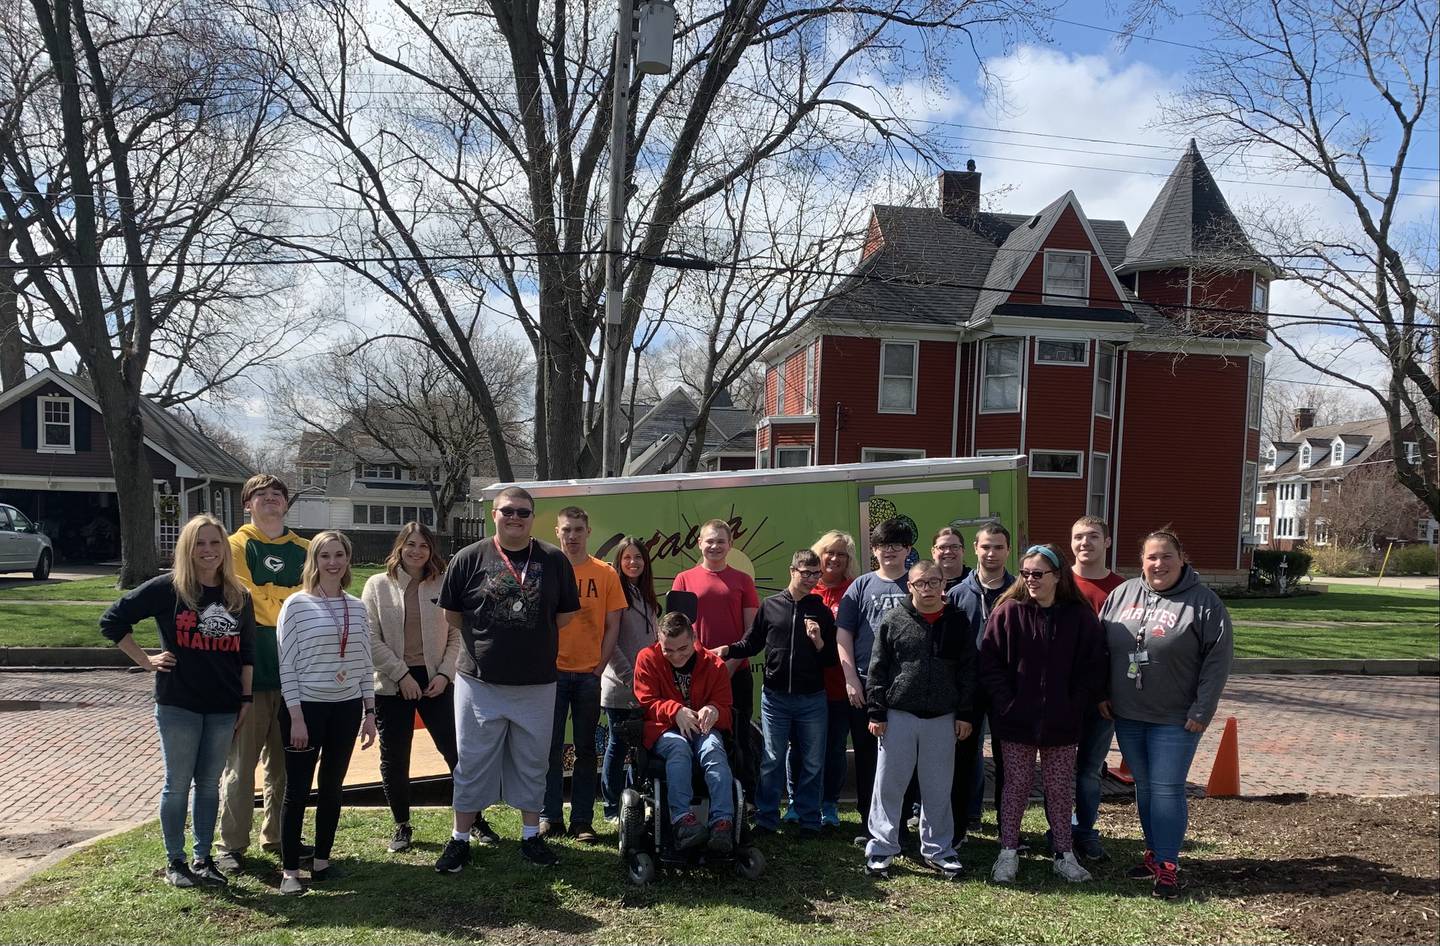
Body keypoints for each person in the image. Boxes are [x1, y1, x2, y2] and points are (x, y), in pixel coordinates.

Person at [99, 514, 255, 888]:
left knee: (209, 784)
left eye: (215, 543)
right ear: (187, 548)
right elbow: (112, 621)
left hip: (223, 706)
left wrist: (246, 698)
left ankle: (204, 859)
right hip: (178, 705)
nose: (208, 551)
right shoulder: (169, 589)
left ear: (225, 549)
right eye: (200, 543)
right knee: (178, 784)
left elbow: (247, 653)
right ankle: (175, 861)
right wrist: (146, 660)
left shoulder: (238, 595)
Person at [433, 486, 580, 874]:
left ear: (534, 517)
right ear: (494, 514)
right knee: (472, 762)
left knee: (533, 762)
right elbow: (452, 614)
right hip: (480, 682)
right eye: (508, 511)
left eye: (523, 512)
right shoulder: (468, 558)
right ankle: (460, 839)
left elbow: (564, 616)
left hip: (536, 683)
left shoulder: (553, 560)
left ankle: (530, 837)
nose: (515, 518)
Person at [1099, 528, 1233, 899]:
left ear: (1181, 558)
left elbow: (1217, 660)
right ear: (1141, 560)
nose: (1158, 564)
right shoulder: (1121, 595)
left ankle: (1169, 867)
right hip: (1128, 714)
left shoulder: (1204, 603)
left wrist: (1203, 708)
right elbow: (1100, 649)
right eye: (1151, 557)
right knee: (1144, 787)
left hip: (1177, 718)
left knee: (1167, 788)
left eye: (1166, 556)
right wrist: (1101, 693)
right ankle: (1154, 855)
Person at [981, 543, 1107, 886]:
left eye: (1039, 574)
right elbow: (990, 663)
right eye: (1026, 573)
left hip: (1062, 722)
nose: (1031, 580)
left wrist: (1074, 702)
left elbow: (1093, 667)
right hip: (1016, 720)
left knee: (1059, 788)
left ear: (1057, 576)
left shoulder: (1079, 616)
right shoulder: (1008, 612)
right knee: (1015, 786)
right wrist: (1006, 702)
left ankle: (1064, 853)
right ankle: (1008, 850)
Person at [274, 530, 377, 896]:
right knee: (297, 791)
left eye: (339, 555)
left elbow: (365, 662)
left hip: (347, 709)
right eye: (325, 556)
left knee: (332, 787)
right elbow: (287, 665)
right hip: (306, 711)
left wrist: (369, 711)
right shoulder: (296, 605)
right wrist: (296, 716)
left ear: (348, 560)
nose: (333, 562)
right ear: (313, 562)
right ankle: (289, 872)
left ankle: (321, 862)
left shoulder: (356, 606)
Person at [218, 474, 310, 874]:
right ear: (247, 505)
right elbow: (244, 599)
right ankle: (230, 845)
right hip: (250, 677)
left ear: (286, 504)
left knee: (287, 767)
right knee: (241, 767)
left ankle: (278, 835)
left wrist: (271, 593)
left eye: (277, 495)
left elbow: (317, 598)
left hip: (299, 679)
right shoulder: (235, 546)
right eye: (261, 496)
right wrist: (291, 599)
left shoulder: (307, 548)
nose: (270, 500)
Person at [862, 560, 976, 879]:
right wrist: (876, 711)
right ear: (909, 586)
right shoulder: (894, 619)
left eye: (934, 582)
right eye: (920, 583)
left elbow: (968, 670)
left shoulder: (957, 621)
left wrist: (965, 713)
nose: (927, 589)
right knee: (889, 785)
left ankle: (939, 850)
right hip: (898, 715)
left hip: (943, 717)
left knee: (938, 787)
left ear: (944, 585)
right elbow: (878, 668)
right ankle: (881, 848)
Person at [720, 550, 838, 836]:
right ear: (792, 571)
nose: (811, 579)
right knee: (771, 759)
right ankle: (767, 818)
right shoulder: (771, 605)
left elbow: (831, 659)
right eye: (805, 572)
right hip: (775, 698)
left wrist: (819, 641)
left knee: (812, 761)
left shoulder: (820, 610)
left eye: (816, 574)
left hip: (812, 698)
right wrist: (727, 650)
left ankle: (810, 819)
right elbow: (752, 643)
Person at [362, 522, 463, 854]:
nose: (417, 551)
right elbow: (370, 639)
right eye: (411, 545)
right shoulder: (378, 586)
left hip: (436, 681)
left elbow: (456, 636)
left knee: (455, 751)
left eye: (423, 545)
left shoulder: (443, 584)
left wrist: (446, 675)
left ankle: (471, 820)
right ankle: (401, 825)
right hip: (393, 683)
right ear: (400, 547)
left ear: (431, 549)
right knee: (395, 756)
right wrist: (401, 675)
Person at [543, 507, 625, 842]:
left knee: (586, 749)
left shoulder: (605, 573)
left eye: (578, 529)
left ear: (588, 532)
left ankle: (581, 820)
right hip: (552, 675)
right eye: (566, 530)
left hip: (589, 676)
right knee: (548, 749)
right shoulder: (545, 570)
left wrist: (599, 666)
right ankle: (550, 817)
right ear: (557, 531)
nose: (572, 536)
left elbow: (613, 626)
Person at [836, 517, 914, 844]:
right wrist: (851, 678)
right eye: (883, 546)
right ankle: (870, 824)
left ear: (908, 550)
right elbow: (844, 634)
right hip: (868, 686)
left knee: (904, 761)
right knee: (868, 759)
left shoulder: (917, 582)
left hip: (908, 689)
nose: (889, 552)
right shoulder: (861, 586)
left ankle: (902, 824)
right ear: (874, 550)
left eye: (896, 546)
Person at [632, 612, 736, 853]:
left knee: (713, 750)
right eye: (668, 650)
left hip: (703, 728)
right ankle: (681, 820)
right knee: (678, 748)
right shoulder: (647, 658)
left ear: (694, 638)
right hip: (663, 729)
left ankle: (723, 822)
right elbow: (646, 701)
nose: (676, 656)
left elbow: (725, 706)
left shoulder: (714, 664)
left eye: (683, 649)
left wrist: (714, 710)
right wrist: (674, 710)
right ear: (659, 641)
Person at [669, 520, 760, 793]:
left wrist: (727, 666)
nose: (715, 546)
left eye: (721, 541)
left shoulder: (743, 581)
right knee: (697, 735)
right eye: (709, 541)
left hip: (736, 672)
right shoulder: (684, 579)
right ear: (699, 543)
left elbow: (751, 633)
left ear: (730, 545)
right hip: (694, 674)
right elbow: (675, 631)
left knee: (740, 736)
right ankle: (702, 796)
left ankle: (746, 798)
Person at [946, 520, 1015, 834]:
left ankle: (1007, 829)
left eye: (998, 547)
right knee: (962, 762)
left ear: (1008, 551)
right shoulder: (957, 594)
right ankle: (959, 828)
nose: (991, 553)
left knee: (1009, 764)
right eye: (986, 546)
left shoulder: (1020, 592)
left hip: (1007, 691)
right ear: (974, 548)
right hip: (968, 692)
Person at [1065, 515, 1127, 862]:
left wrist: (1107, 692)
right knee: (1058, 769)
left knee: (1089, 769)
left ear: (1106, 542)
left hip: (1100, 700)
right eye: (1078, 537)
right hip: (1060, 696)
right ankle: (1059, 830)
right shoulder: (1058, 583)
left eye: (1092, 536)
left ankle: (1085, 831)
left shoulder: (1124, 589)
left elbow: (1124, 649)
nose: (1084, 543)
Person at [791, 530, 856, 829]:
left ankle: (829, 804)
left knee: (833, 749)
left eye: (841, 554)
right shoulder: (804, 591)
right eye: (829, 552)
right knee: (801, 747)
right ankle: (798, 802)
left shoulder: (854, 590)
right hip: (806, 687)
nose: (834, 559)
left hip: (840, 686)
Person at [600, 537, 660, 822]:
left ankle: (634, 801)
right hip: (621, 687)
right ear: (618, 562)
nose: (633, 562)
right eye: (627, 558)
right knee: (618, 746)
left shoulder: (645, 594)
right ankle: (612, 807)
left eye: (638, 557)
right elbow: (610, 644)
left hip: (646, 688)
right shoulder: (615, 593)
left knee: (643, 746)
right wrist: (631, 679)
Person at [932, 526, 970, 590]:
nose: (948, 551)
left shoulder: (975, 581)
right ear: (933, 552)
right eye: (942, 547)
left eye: (954, 547)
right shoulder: (924, 583)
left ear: (963, 551)